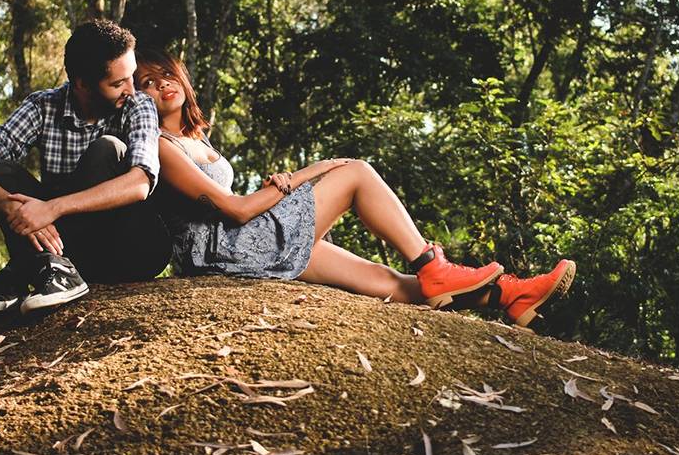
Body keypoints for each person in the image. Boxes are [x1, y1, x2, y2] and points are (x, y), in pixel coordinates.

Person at [134, 49, 575, 326]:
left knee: (397, 285)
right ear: (139, 102)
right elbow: (235, 210)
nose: (161, 86)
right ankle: (430, 261)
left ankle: (511, 295)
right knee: (357, 173)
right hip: (225, 250)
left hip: (247, 245)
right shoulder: (162, 145)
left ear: (183, 80)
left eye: (165, 75)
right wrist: (308, 173)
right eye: (146, 85)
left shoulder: (196, 139)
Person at [0, 20, 172, 314]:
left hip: (130, 246)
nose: (132, 89)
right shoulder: (42, 107)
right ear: (83, 83)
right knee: (0, 171)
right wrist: (12, 208)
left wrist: (54, 208)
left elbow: (140, 183)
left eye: (132, 76)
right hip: (68, 250)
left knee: (106, 149)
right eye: (117, 83)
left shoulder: (138, 105)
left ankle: (24, 268)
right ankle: (50, 269)